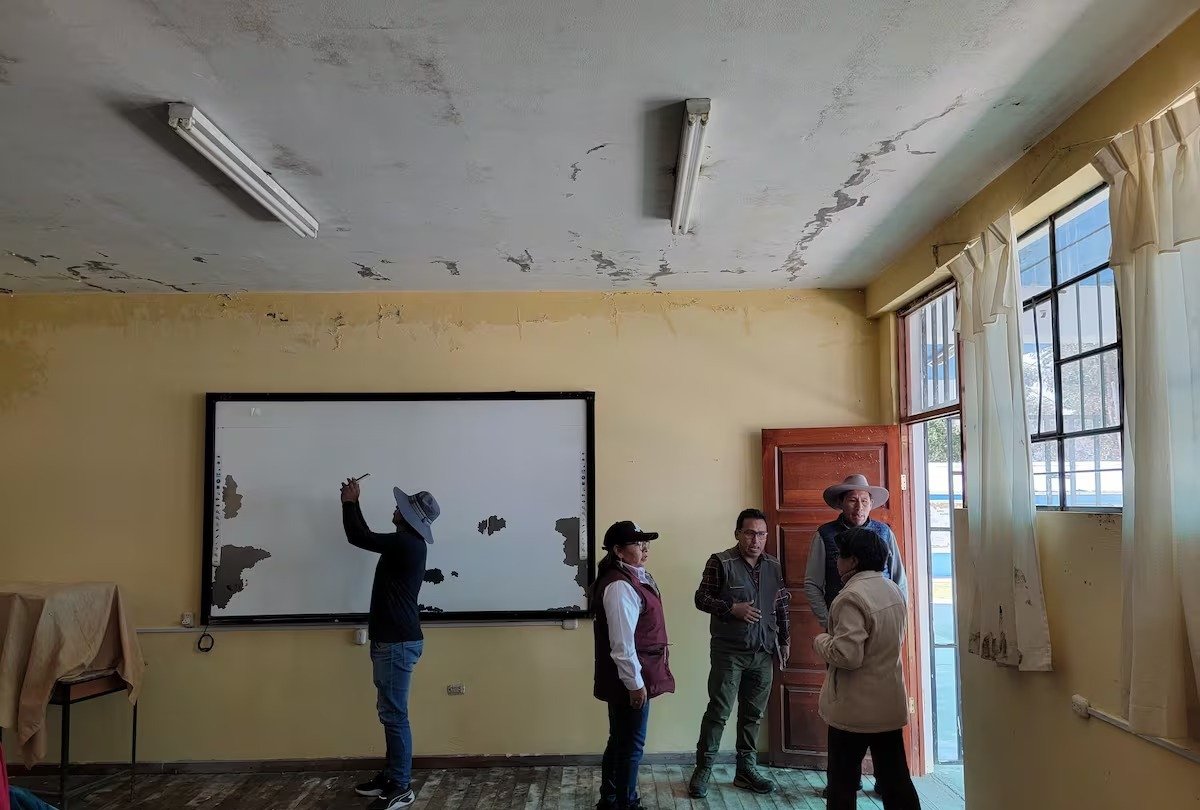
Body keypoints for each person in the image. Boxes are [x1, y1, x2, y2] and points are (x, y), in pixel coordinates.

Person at [340, 476, 441, 810]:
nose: (396, 509)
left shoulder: (407, 544)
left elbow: (359, 536)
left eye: (402, 507)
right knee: (390, 713)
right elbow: (366, 536)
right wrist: (353, 503)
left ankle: (401, 786)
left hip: (397, 643)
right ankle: (392, 776)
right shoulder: (405, 543)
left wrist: (350, 503)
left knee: (395, 715)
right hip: (392, 641)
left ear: (410, 517)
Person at [815, 528, 921, 810]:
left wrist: (821, 640)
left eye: (840, 556)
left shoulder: (851, 597)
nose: (836, 561)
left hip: (854, 709)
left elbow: (847, 655)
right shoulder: (893, 590)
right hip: (888, 704)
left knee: (842, 786)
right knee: (897, 783)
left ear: (853, 561)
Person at [688, 508, 789, 799]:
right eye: (750, 533)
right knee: (718, 713)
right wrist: (731, 609)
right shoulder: (720, 562)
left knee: (753, 715)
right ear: (738, 534)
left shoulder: (773, 565)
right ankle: (703, 770)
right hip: (729, 652)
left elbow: (781, 603)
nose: (756, 540)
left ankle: (746, 771)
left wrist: (785, 639)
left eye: (761, 534)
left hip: (763, 651)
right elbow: (701, 598)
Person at [592, 521, 675, 810]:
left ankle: (610, 800)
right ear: (618, 550)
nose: (644, 549)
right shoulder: (619, 586)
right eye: (638, 544)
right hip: (630, 680)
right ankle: (625, 803)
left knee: (620, 740)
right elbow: (622, 645)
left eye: (645, 543)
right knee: (630, 746)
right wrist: (635, 685)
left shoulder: (631, 577)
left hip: (633, 676)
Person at [804, 474, 906, 631]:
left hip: (882, 621)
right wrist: (828, 620)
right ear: (841, 502)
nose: (859, 507)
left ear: (871, 504)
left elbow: (899, 580)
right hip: (842, 623)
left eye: (864, 501)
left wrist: (898, 618)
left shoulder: (884, 533)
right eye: (852, 500)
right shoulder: (825, 534)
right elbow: (812, 584)